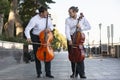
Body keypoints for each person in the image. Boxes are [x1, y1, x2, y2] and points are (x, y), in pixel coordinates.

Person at [24, 6, 54, 78]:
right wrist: (28, 37)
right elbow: (27, 29)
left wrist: (49, 29)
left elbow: (52, 27)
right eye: (45, 12)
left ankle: (48, 73)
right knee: (37, 55)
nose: (47, 14)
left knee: (47, 54)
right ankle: (39, 72)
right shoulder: (34, 19)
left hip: (45, 37)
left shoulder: (48, 18)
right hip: (36, 37)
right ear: (41, 13)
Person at [65, 6, 91, 79]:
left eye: (70, 12)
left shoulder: (82, 18)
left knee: (80, 57)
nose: (69, 14)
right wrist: (69, 39)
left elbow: (89, 27)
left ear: (75, 12)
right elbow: (67, 30)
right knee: (72, 56)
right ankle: (74, 73)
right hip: (71, 39)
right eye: (69, 12)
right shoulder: (67, 20)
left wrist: (81, 27)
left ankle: (82, 74)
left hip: (79, 39)